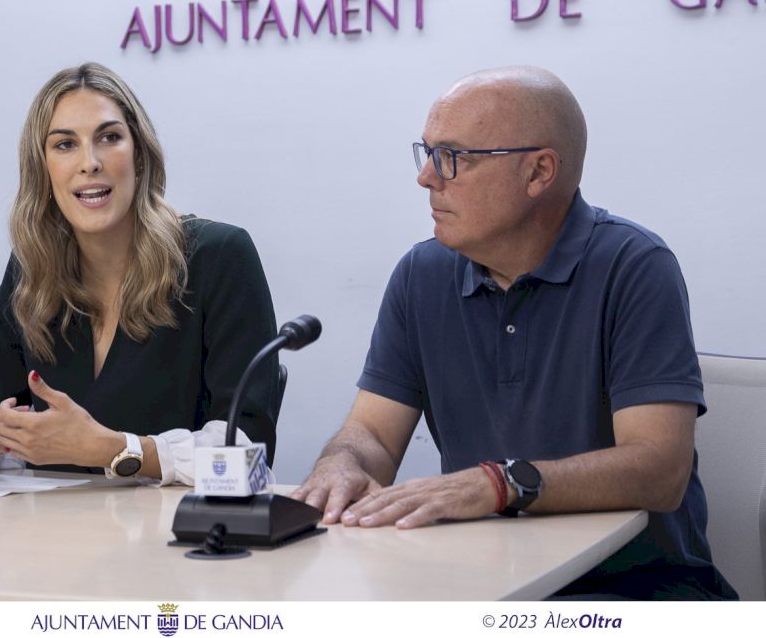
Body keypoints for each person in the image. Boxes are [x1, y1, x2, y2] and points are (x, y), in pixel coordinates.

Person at [293, 66, 737, 599]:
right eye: (428, 152)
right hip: (478, 581)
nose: (427, 177)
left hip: (633, 588)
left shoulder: (635, 265)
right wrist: (340, 464)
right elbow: (373, 434)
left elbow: (659, 470)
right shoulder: (421, 274)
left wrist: (500, 483)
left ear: (538, 172)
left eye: (453, 157)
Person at [0, 62, 278, 484]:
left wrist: (113, 449)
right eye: (65, 145)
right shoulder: (32, 271)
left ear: (139, 154)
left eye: (109, 138)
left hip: (177, 523)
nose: (90, 162)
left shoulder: (219, 256)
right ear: (42, 169)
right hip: (50, 524)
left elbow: (248, 452)